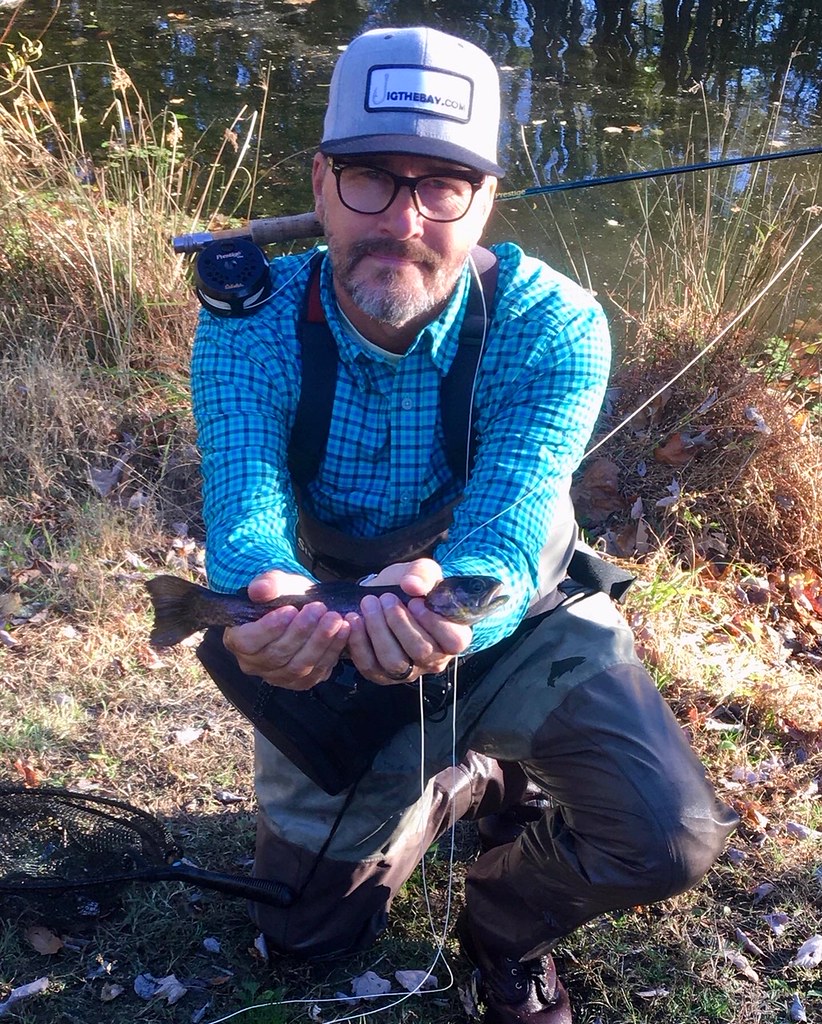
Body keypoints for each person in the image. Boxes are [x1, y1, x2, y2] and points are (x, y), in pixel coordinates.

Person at [190, 25, 737, 1024]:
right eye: (370, 179)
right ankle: (463, 781)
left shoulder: (554, 323)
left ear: (484, 199)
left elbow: (514, 523)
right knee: (303, 937)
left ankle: (501, 920)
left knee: (668, 835)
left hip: (517, 609)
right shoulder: (251, 322)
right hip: (337, 622)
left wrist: (456, 613)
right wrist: (259, 596)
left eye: (441, 184)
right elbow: (245, 506)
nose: (402, 219)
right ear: (319, 182)